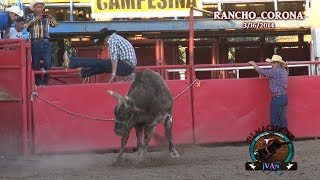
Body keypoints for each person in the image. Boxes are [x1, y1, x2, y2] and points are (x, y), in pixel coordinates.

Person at [63, 28, 137, 83]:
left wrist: (113, 74)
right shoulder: (117, 38)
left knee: (98, 62)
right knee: (103, 66)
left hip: (126, 65)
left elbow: (114, 59)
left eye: (103, 41)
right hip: (129, 67)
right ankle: (83, 73)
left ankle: (71, 62)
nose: (104, 43)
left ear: (106, 38)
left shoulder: (112, 40)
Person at [24, 0, 59, 86]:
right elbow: (25, 26)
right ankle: (38, 83)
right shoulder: (30, 16)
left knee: (48, 63)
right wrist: (35, 19)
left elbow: (56, 25)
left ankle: (45, 82)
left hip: (46, 42)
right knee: (35, 64)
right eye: (38, 7)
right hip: (35, 43)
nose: (40, 9)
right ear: (34, 8)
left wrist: (51, 18)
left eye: (41, 7)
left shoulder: (46, 17)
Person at [248, 55, 289, 128]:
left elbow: (261, 71)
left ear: (278, 63)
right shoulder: (284, 71)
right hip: (284, 97)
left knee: (275, 120)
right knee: (283, 119)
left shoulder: (274, 71)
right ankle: (285, 138)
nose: (271, 64)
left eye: (273, 63)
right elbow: (286, 71)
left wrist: (254, 64)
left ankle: (278, 138)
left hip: (277, 98)